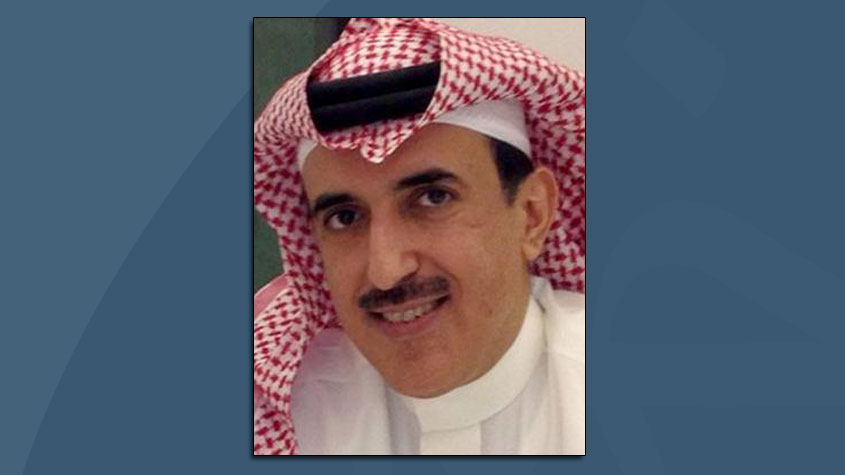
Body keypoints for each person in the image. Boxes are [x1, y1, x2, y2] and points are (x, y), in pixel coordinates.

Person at [253, 18, 585, 455]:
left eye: (432, 198)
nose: (386, 271)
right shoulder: (279, 410)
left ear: (532, 214)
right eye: (344, 217)